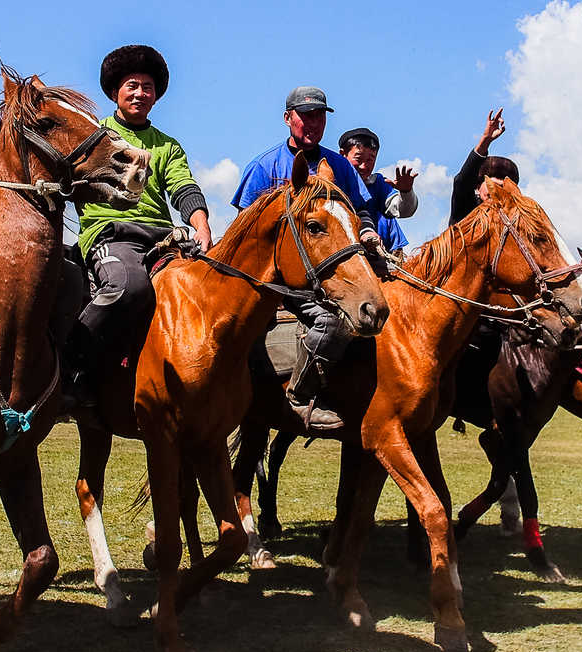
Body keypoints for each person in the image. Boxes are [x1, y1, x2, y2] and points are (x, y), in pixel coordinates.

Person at [232, 86, 384, 430]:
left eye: (319, 116)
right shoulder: (264, 166)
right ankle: (295, 398)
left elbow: (360, 209)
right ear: (289, 118)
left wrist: (367, 231)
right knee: (328, 321)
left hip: (328, 272)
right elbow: (245, 231)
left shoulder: (341, 167)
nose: (313, 123)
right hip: (277, 280)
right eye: (306, 115)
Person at [69, 44, 211, 403]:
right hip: (111, 233)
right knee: (128, 287)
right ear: (115, 91)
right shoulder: (92, 136)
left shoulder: (168, 145)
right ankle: (72, 366)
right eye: (132, 85)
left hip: (163, 238)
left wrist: (202, 224)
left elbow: (183, 186)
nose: (140, 93)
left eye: (148, 87)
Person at [337, 127, 418, 254]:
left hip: (377, 256)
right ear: (342, 155)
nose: (364, 166)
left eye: (370, 160)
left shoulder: (378, 184)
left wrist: (406, 192)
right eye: (358, 158)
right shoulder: (333, 184)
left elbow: (404, 210)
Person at [449, 108, 519, 227]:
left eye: (502, 186)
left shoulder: (516, 219)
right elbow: (462, 183)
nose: (496, 191)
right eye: (493, 185)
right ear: (477, 187)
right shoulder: (467, 208)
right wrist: (485, 141)